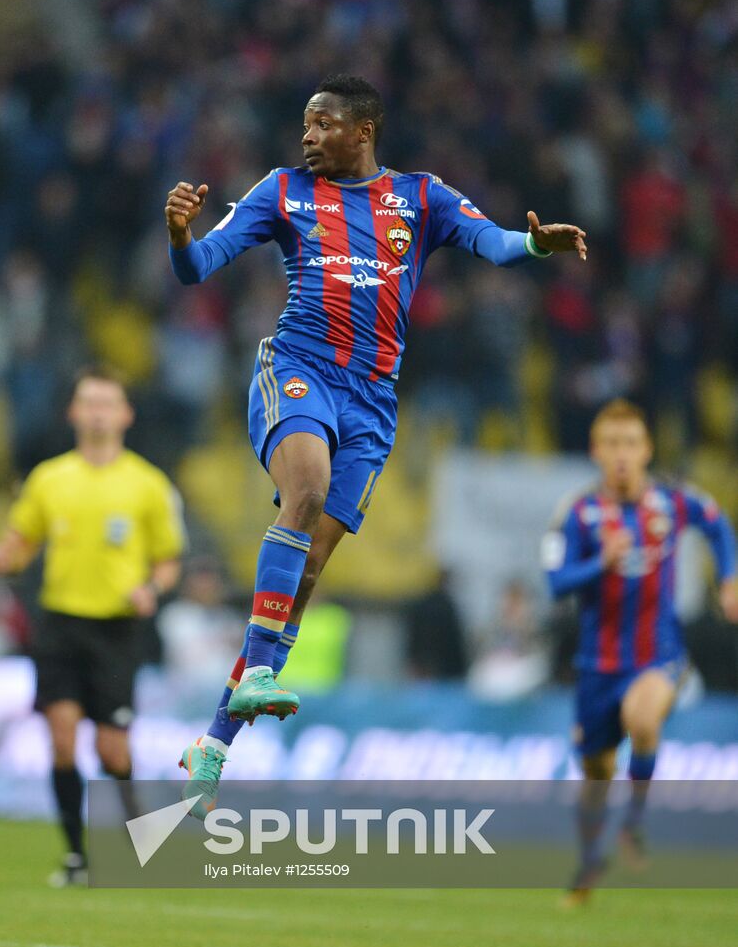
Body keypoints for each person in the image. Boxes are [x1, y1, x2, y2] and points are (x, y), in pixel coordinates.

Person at [165, 74, 587, 815]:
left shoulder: (420, 197)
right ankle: (255, 683)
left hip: (371, 401)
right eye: (303, 123)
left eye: (321, 123)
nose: (306, 136)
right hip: (296, 367)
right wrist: (177, 235)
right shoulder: (280, 191)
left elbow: (491, 244)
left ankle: (214, 742)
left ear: (362, 130)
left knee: (308, 570)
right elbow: (199, 267)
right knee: (305, 491)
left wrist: (535, 243)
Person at [0, 368, 184, 886]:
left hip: (116, 629)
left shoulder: (147, 483)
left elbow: (168, 561)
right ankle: (77, 856)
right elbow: (22, 539)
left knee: (112, 749)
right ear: (74, 413)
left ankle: (138, 826)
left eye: (107, 403)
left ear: (125, 415)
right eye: (88, 402)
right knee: (62, 738)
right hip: (59, 623)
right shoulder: (49, 478)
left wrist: (152, 590)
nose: (97, 411)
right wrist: (5, 555)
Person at [542, 399, 738, 904]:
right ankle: (589, 863)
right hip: (596, 666)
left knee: (643, 718)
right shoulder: (578, 512)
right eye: (612, 444)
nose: (622, 454)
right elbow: (556, 583)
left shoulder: (672, 502)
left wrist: (730, 577)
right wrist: (600, 563)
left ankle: (633, 822)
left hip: (660, 655)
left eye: (631, 443)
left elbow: (717, 524)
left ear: (647, 449)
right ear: (596, 451)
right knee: (596, 775)